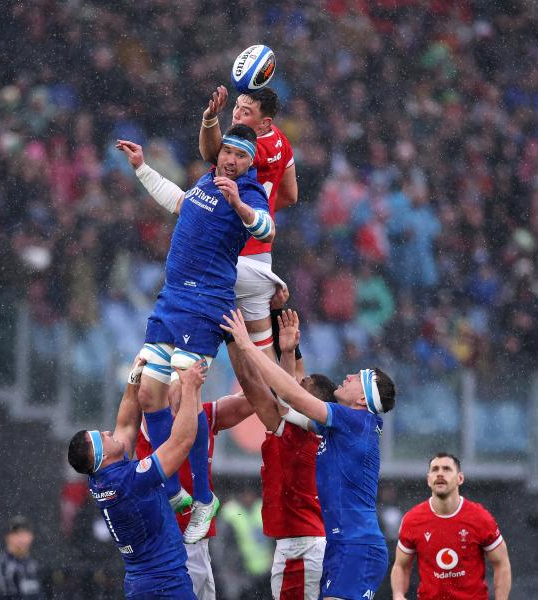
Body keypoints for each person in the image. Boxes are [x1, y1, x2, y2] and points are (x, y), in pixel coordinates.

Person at [116, 125, 274, 544]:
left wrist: (239, 203)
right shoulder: (207, 179)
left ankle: (204, 498)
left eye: (240, 156)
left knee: (180, 395)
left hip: (206, 304)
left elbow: (265, 230)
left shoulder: (250, 192)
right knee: (148, 395)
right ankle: (173, 491)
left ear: (248, 161)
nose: (230, 161)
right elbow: (180, 204)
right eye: (227, 153)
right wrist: (142, 169)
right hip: (171, 301)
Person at [222, 308, 396, 600]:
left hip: (353, 546)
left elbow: (292, 396)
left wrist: (246, 344)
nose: (350, 374)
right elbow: (288, 403)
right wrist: (289, 350)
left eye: (358, 377)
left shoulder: (354, 420)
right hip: (343, 545)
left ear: (363, 399)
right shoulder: (341, 427)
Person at [65, 356, 206, 600]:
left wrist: (133, 381)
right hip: (166, 583)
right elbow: (181, 443)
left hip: (141, 583)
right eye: (103, 436)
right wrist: (191, 389)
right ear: (103, 454)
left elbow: (127, 424)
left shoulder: (100, 478)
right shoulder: (130, 480)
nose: (109, 432)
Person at [132, 352, 259, 600]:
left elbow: (254, 398)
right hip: (167, 542)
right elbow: (148, 399)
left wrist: (242, 347)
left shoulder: (206, 416)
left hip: (198, 542)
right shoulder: (152, 424)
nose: (182, 390)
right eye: (176, 383)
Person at [199, 86, 299, 360]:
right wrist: (259, 212)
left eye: (246, 113)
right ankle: (278, 400)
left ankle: (183, 398)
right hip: (261, 260)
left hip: (232, 255)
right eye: (237, 108)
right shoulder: (281, 140)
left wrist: (210, 119)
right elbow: (290, 195)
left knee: (194, 345)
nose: (237, 116)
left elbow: (210, 154)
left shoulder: (246, 150)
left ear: (264, 122)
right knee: (260, 356)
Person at [241, 309, 331, 599]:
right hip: (293, 543)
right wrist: (286, 337)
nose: (297, 387)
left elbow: (279, 390)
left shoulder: (305, 433)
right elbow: (288, 388)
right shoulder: (300, 428)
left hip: (303, 545)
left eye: (303, 389)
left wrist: (238, 339)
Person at [391, 453, 512, 600]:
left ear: (460, 478)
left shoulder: (480, 518)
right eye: (435, 469)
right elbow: (401, 566)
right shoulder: (412, 520)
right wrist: (398, 594)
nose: (440, 474)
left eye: (447, 469)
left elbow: (501, 563)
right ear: (428, 480)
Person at [0, 516, 44, 600]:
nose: (21, 539)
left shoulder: (36, 566)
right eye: (16, 534)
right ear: (7, 537)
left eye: (25, 533)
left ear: (31, 536)